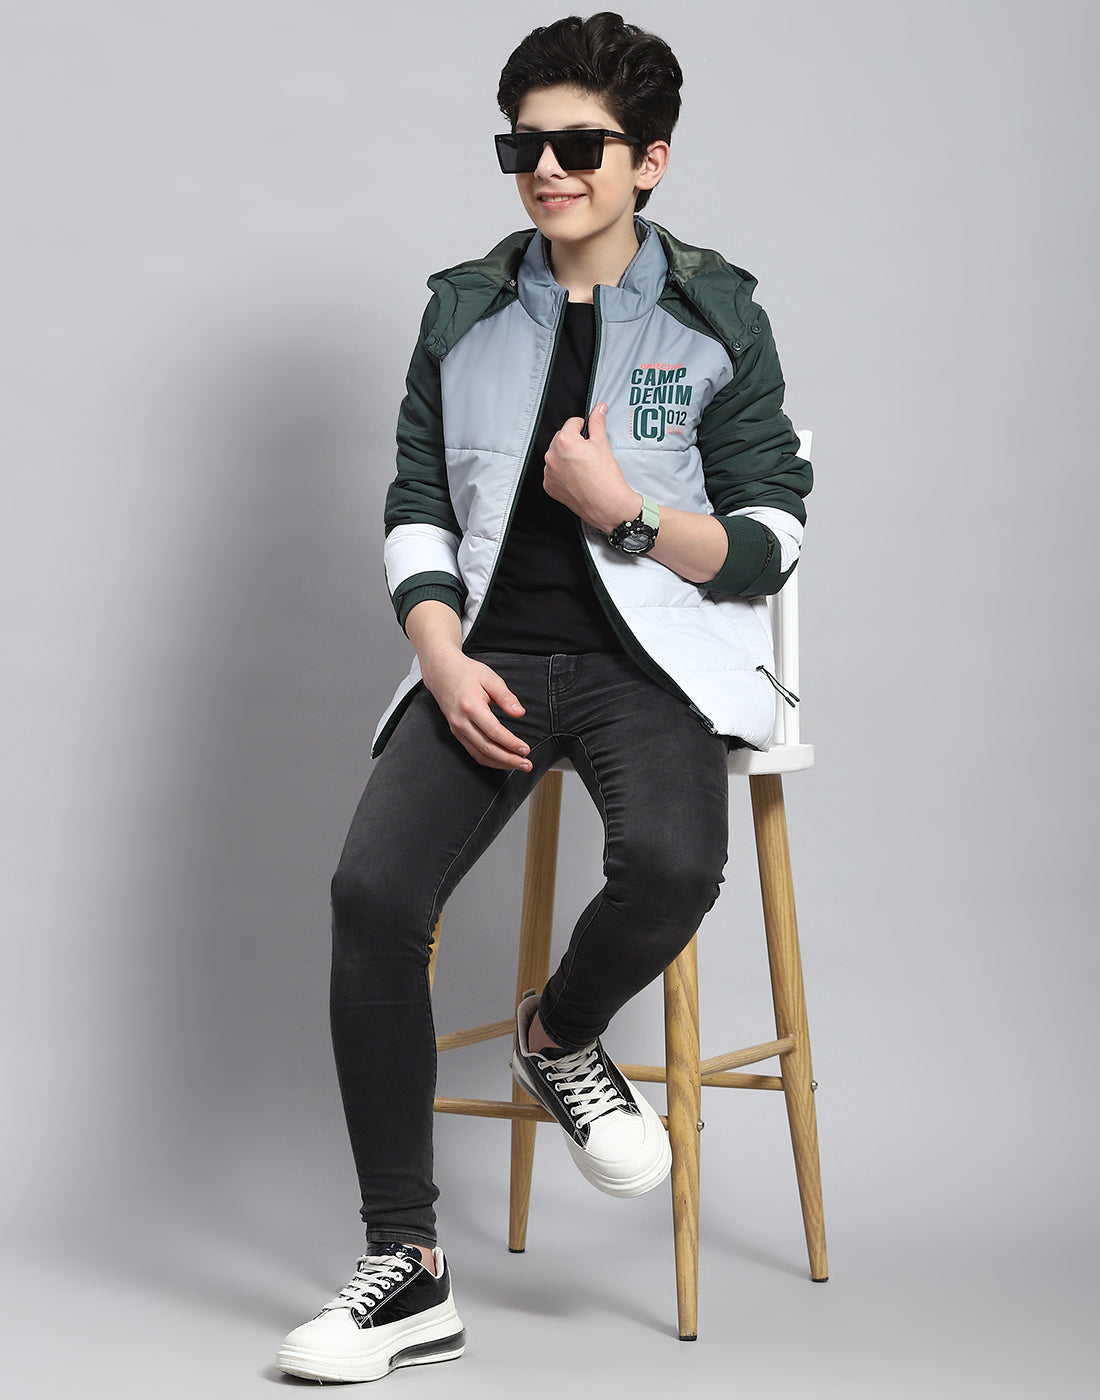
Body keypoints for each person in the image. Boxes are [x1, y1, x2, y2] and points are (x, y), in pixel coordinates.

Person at [275, 10, 811, 1384]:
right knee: (371, 896)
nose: (548, 170)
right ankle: (408, 1268)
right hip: (488, 660)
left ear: (650, 161)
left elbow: (771, 534)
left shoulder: (716, 313)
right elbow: (415, 500)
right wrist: (439, 652)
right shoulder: (463, 307)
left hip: (652, 665)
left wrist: (624, 512)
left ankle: (559, 1037)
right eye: (525, 145)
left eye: (581, 145)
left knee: (675, 865)